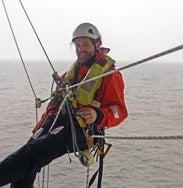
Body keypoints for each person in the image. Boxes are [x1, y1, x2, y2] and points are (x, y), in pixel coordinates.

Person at [0, 22, 128, 187]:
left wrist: (98, 115)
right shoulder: (75, 70)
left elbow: (119, 111)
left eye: (86, 45)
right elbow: (58, 102)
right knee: (28, 157)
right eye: (78, 45)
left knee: (32, 154)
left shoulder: (109, 74)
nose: (81, 49)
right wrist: (40, 125)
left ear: (97, 45)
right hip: (60, 121)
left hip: (80, 129)